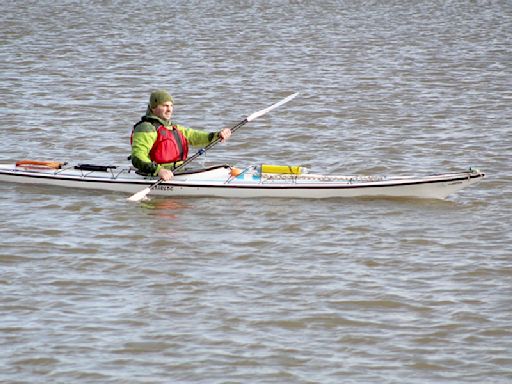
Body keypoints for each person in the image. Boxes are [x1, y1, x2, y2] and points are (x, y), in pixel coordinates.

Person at [130, 90, 231, 180]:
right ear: (153, 108)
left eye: (171, 105)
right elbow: (138, 157)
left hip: (178, 171)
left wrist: (217, 135)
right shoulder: (146, 128)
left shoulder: (173, 127)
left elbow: (195, 136)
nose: (169, 109)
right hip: (157, 174)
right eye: (165, 106)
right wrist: (158, 170)